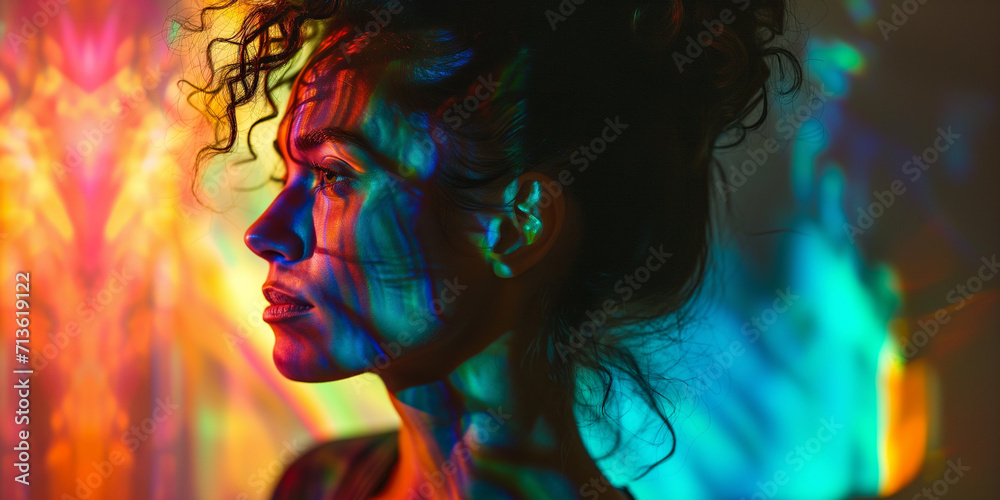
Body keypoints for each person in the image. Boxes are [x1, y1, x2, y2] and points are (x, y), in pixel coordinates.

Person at [187, 0, 801, 497]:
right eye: (287, 175)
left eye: (333, 175)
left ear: (514, 227)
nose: (265, 232)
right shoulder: (316, 485)